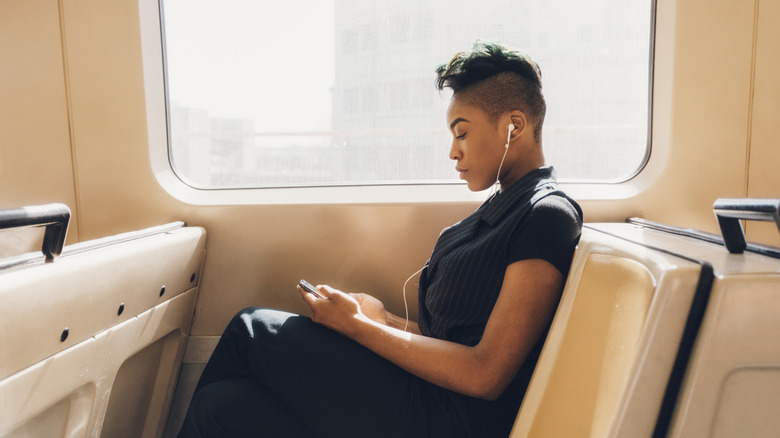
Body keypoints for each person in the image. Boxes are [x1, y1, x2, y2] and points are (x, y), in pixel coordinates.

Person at [178, 40, 583, 438]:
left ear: (514, 125)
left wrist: (357, 328)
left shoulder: (545, 215)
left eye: (461, 134)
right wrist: (383, 318)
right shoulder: (503, 206)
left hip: (453, 417)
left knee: (250, 328)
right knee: (224, 405)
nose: (452, 153)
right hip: (429, 394)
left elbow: (486, 373)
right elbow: (451, 340)